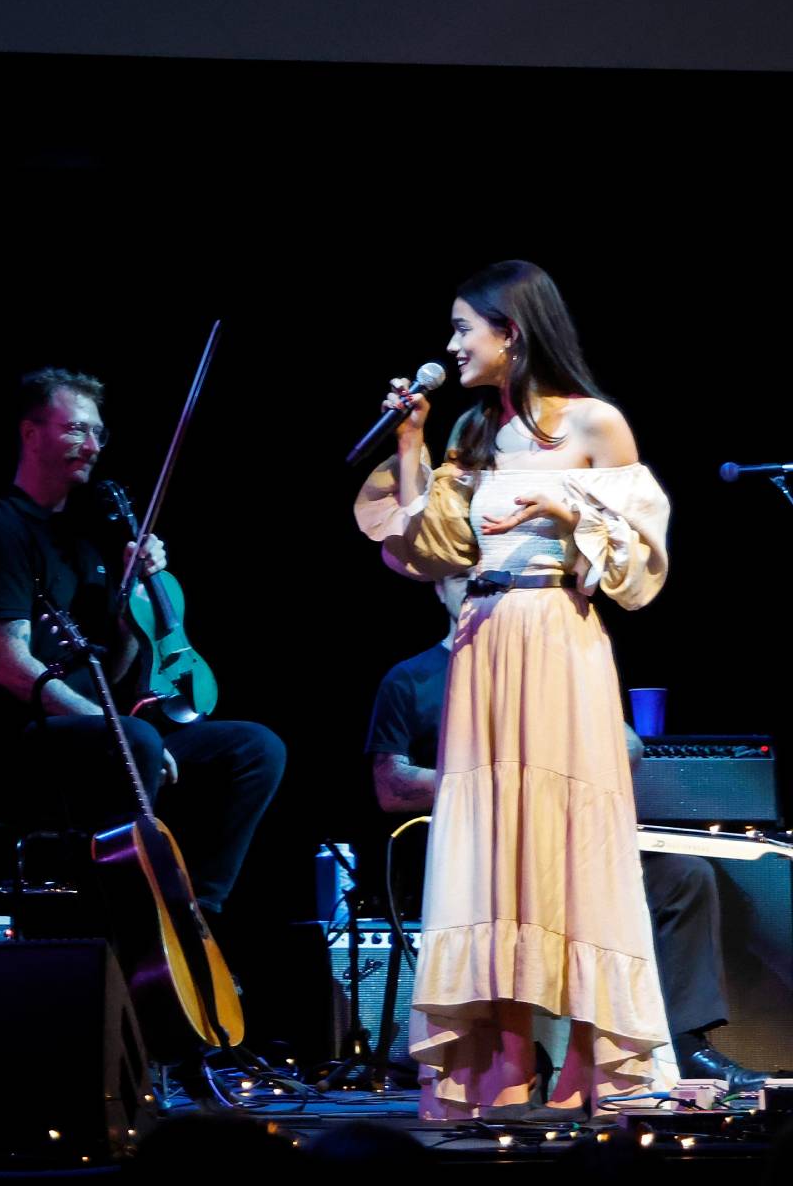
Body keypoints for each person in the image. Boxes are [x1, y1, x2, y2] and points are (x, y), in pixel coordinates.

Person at [355, 260, 674, 1118]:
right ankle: (497, 1067)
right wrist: (413, 441)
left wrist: (567, 513)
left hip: (558, 637)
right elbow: (432, 550)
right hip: (484, 644)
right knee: (489, 852)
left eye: (465, 328)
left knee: (568, 845)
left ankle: (594, 1065)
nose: (452, 344)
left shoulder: (596, 426)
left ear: (514, 333)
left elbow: (642, 565)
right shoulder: (470, 430)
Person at [366, 577, 771, 1091]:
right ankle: (500, 1057)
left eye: (490, 582)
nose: (477, 593)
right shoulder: (412, 678)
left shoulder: (550, 668)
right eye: (463, 581)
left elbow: (627, 748)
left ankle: (683, 1043)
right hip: (484, 858)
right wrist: (493, 782)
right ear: (438, 586)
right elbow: (391, 786)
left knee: (681, 877)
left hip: (565, 850)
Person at [0, 368, 285, 917]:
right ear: (30, 434)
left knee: (254, 748)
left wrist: (133, 609)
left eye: (97, 433)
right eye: (75, 430)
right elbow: (6, 662)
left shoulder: (88, 538)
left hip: (104, 733)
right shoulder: (1, 531)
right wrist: (111, 727)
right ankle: (128, 909)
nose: (91, 446)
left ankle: (196, 912)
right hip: (27, 742)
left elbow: (113, 673)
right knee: (137, 739)